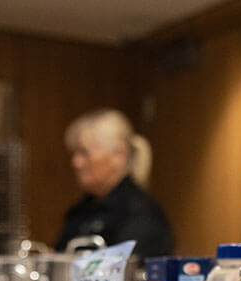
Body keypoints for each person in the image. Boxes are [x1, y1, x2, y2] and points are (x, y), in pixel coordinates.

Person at [55, 109, 175, 258]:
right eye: (75, 153)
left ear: (119, 154)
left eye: (84, 153)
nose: (76, 163)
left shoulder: (141, 214)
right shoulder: (80, 211)